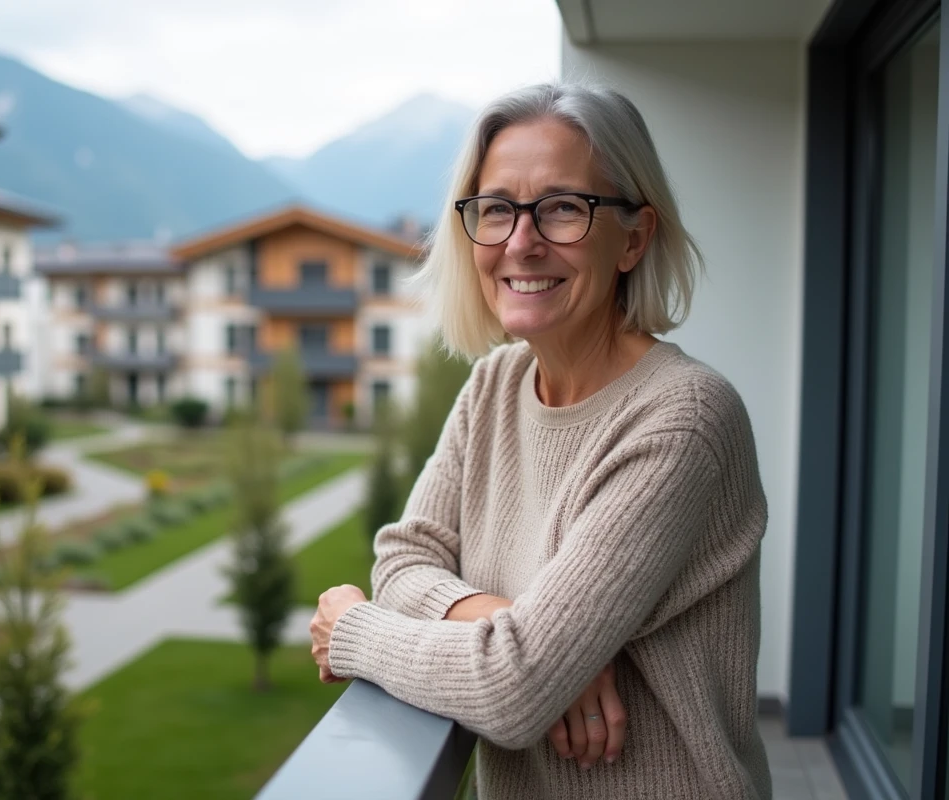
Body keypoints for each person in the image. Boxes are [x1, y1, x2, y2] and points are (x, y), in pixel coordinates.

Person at [309, 83, 771, 799]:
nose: (521, 241)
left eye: (562, 208)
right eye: (496, 208)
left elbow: (513, 690)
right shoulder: (495, 383)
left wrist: (353, 632)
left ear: (635, 237)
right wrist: (512, 626)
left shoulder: (683, 420)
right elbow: (402, 561)